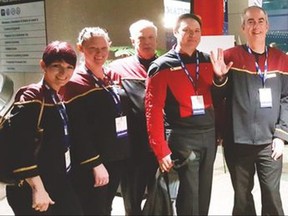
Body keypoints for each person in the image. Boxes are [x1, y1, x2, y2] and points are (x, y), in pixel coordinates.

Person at [210, 5, 288, 215]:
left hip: (270, 143)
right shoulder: (229, 57)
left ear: (267, 26)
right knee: (242, 198)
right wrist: (219, 78)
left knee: (272, 195)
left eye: (260, 21)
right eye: (251, 22)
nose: (256, 26)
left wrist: (281, 135)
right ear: (243, 27)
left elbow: (286, 99)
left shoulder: (281, 59)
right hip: (238, 141)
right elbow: (218, 97)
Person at [145, 13, 220, 215]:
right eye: (186, 30)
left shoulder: (207, 60)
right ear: (176, 32)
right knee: (189, 195)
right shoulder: (161, 66)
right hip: (183, 137)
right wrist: (160, 149)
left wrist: (221, 77)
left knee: (204, 192)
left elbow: (219, 98)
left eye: (196, 31)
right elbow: (153, 111)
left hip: (208, 134)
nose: (192, 35)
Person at [6, 41, 83, 215]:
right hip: (34, 186)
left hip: (57, 181)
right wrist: (38, 189)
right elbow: (20, 146)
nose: (63, 73)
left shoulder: (55, 95)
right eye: (56, 66)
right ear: (43, 66)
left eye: (69, 67)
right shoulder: (32, 97)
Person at [63, 27, 130, 215]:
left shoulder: (110, 76)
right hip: (93, 162)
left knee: (106, 206)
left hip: (115, 155)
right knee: (93, 208)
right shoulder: (74, 82)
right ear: (80, 48)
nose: (99, 53)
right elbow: (77, 130)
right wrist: (95, 163)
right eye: (93, 48)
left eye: (103, 47)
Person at [108, 19, 158, 215]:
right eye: (141, 38)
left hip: (160, 147)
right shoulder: (117, 68)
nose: (147, 42)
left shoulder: (167, 65)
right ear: (132, 41)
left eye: (151, 37)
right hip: (132, 148)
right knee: (132, 202)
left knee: (160, 198)